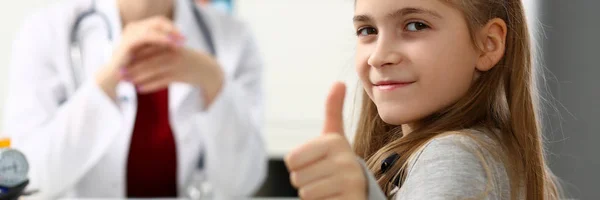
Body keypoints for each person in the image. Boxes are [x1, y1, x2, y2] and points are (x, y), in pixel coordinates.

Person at [284, 0, 562, 199]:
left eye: (415, 25)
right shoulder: (490, 153)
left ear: (488, 43)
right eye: (368, 31)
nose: (379, 56)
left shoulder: (455, 155)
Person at [2, 0, 266, 198]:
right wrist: (106, 82)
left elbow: (242, 183)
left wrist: (213, 80)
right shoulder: (45, 32)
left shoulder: (233, 39)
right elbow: (29, 179)